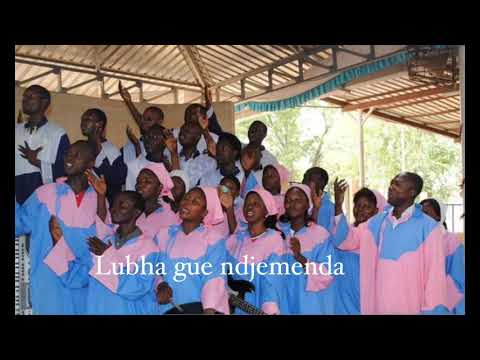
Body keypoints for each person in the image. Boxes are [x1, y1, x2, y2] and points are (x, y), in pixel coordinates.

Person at [335, 172, 449, 314]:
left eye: (397, 185)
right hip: (380, 306)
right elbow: (345, 241)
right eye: (391, 183)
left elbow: (435, 278)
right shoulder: (377, 222)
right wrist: (338, 206)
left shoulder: (428, 227)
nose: (391, 187)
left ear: (412, 192)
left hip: (412, 306)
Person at [15, 141, 99, 314]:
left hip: (86, 290)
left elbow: (104, 247)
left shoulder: (100, 200)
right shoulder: (45, 193)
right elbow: (18, 223)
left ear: (91, 163)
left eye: (77, 154)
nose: (69, 157)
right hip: (49, 288)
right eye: (68, 153)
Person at [45, 191, 161, 315]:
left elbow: (137, 288)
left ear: (137, 212)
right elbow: (75, 278)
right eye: (113, 205)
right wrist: (58, 240)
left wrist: (107, 255)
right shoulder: (103, 241)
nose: (114, 210)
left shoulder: (148, 247)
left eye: (122, 206)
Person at [155, 187, 230, 314]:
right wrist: (160, 284)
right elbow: (151, 267)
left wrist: (209, 310)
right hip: (165, 309)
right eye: (186, 198)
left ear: (204, 213)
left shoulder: (213, 239)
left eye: (195, 202)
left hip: (198, 308)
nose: (187, 203)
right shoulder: (164, 234)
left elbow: (214, 278)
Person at [225, 188, 288, 314]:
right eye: (247, 203)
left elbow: (272, 281)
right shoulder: (234, 239)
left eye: (256, 204)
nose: (249, 207)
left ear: (266, 211)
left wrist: (270, 310)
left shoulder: (274, 239)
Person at [277, 184, 337, 314]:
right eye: (288, 201)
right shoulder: (279, 234)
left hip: (311, 304)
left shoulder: (320, 234)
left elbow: (328, 273)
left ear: (307, 205)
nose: (292, 204)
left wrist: (300, 258)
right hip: (284, 304)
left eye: (297, 200)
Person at [331, 182, 387, 315]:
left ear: (377, 210)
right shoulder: (349, 228)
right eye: (358, 205)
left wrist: (338, 206)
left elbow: (343, 239)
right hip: (341, 297)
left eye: (367, 206)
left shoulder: (375, 233)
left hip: (362, 294)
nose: (361, 210)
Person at [15, 85, 70, 204]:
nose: (25, 100)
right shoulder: (16, 130)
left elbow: (66, 170)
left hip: (44, 201)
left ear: (44, 102)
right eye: (24, 97)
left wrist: (37, 162)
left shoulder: (57, 133)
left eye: (30, 97)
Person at [420, 198, 465, 315]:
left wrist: (436, 293)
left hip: (441, 305)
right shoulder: (415, 242)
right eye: (420, 214)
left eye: (426, 214)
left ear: (439, 217)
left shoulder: (451, 242)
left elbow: (458, 281)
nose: (422, 219)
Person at [80, 108, 127, 204]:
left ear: (99, 124)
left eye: (87, 120)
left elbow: (119, 179)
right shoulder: (81, 147)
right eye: (82, 119)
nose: (82, 123)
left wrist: (97, 162)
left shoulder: (110, 150)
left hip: (105, 204)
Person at [118, 81, 165, 164]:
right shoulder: (132, 145)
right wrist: (128, 102)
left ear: (159, 122)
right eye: (143, 118)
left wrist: (137, 146)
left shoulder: (162, 148)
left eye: (149, 120)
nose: (143, 122)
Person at [125, 124, 171, 190]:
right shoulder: (134, 165)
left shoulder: (169, 166)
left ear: (165, 142)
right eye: (147, 137)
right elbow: (131, 196)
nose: (149, 141)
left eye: (155, 137)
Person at [302, 167, 335, 234]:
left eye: (309, 179)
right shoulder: (303, 203)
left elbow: (321, 236)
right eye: (304, 178)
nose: (303, 182)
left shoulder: (328, 208)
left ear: (321, 183)